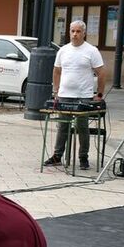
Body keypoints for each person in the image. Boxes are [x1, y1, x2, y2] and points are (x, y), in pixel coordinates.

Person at [43, 20, 104, 169]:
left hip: (83, 95)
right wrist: (56, 91)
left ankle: (83, 157)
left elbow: (101, 73)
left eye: (78, 31)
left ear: (84, 33)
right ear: (69, 32)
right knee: (62, 126)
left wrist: (99, 94)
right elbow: (56, 71)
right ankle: (58, 155)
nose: (75, 34)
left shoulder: (91, 51)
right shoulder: (63, 50)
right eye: (72, 31)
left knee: (82, 127)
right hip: (65, 94)